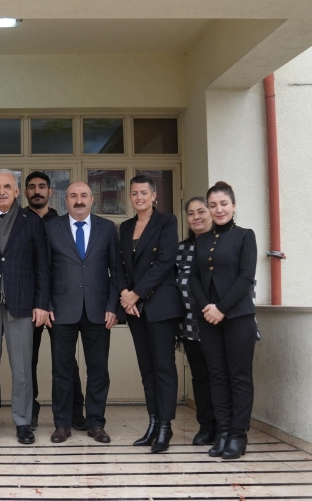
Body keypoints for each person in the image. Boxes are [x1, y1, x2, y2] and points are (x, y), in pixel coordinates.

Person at [0, 169, 49, 445]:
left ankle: (23, 421)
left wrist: (41, 303)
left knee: (22, 368)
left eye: (7, 187)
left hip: (22, 305)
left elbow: (42, 266)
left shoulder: (31, 221)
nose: (1, 191)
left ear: (17, 191)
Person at [45, 182, 123, 444]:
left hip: (99, 311)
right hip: (61, 310)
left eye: (84, 196)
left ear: (92, 200)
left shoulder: (107, 228)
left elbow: (117, 270)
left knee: (98, 370)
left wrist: (113, 306)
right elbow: (43, 270)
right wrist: (46, 304)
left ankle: (95, 423)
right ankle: (63, 424)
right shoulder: (52, 227)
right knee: (62, 370)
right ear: (64, 200)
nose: (79, 201)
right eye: (73, 196)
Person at [189, 181, 258, 460]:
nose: (218, 210)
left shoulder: (245, 236)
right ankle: (224, 431)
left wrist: (222, 307)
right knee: (216, 376)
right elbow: (194, 277)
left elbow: (246, 276)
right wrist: (207, 306)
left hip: (238, 316)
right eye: (213, 205)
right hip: (208, 319)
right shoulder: (202, 239)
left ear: (233, 205)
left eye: (223, 204)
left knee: (238, 377)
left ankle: (238, 435)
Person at [119, 174, 183, 454]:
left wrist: (136, 293)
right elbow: (119, 263)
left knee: (164, 367)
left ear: (154, 195)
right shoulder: (124, 227)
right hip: (135, 310)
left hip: (160, 304)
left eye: (144, 192)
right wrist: (124, 293)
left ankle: (166, 426)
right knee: (147, 369)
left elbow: (165, 262)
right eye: (134, 193)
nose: (139, 197)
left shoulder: (166, 222)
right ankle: (153, 422)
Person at [24, 171, 85, 431]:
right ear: (25, 192)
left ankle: (74, 412)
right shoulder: (19, 221)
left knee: (66, 361)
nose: (37, 191)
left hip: (59, 303)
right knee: (28, 360)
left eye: (42, 187)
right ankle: (30, 411)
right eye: (32, 187)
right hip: (27, 303)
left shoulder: (62, 222)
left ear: (51, 192)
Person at [177, 197, 217, 446]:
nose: (196, 217)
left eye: (201, 211)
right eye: (191, 213)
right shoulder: (182, 249)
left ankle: (226, 427)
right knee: (200, 377)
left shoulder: (224, 243)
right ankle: (206, 426)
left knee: (220, 376)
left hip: (219, 322)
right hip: (190, 324)